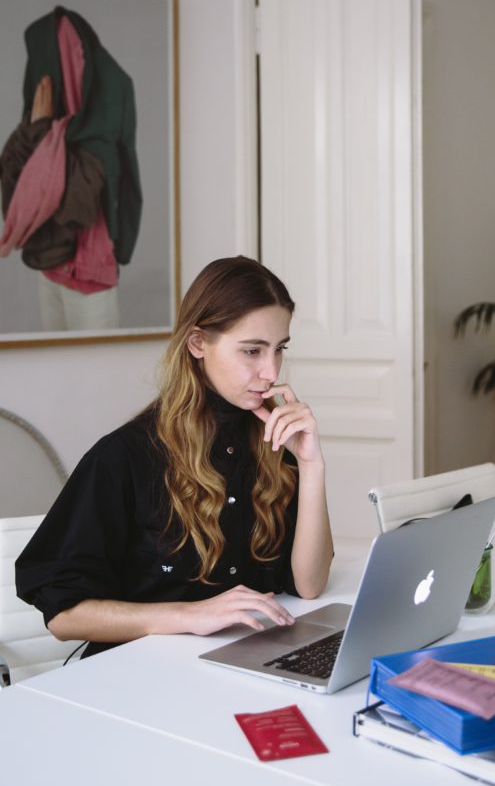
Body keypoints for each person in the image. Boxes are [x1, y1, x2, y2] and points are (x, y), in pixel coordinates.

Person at [15, 256, 334, 657]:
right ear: (198, 343)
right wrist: (190, 615)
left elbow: (309, 584)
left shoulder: (274, 441)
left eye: (279, 349)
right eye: (252, 351)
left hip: (245, 660)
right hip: (140, 677)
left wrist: (311, 464)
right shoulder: (125, 456)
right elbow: (63, 617)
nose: (271, 372)